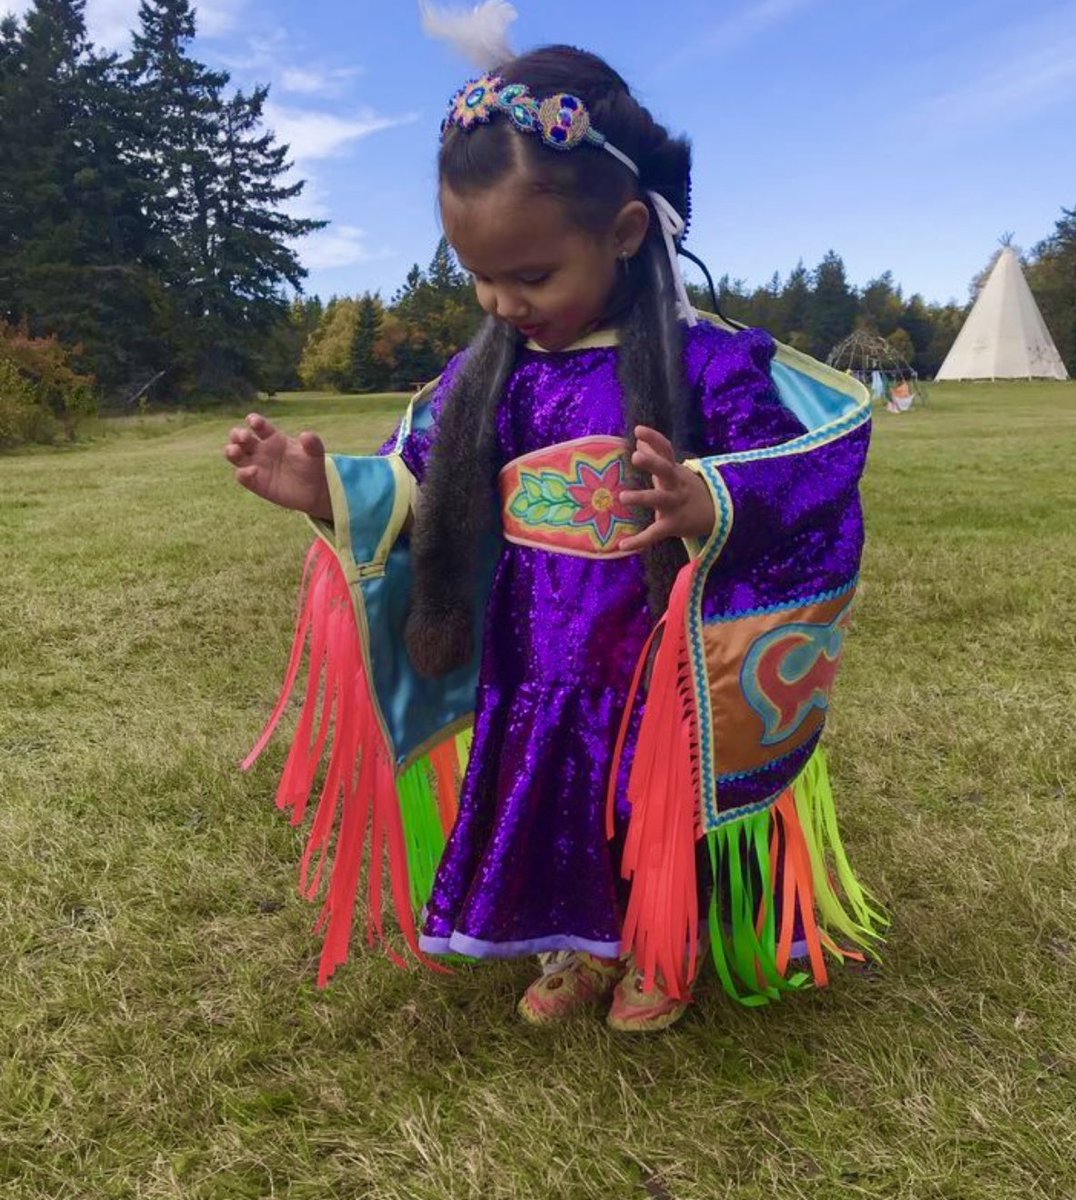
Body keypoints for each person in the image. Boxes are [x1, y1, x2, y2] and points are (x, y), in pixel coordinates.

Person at [225, 44, 884, 1033]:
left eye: (529, 274)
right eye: (478, 277)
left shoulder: (708, 364)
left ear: (623, 232)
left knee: (645, 803)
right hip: (533, 658)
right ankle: (578, 942)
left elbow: (814, 462)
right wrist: (330, 489)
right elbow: (418, 480)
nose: (499, 303)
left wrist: (710, 500)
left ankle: (667, 938)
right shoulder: (494, 372)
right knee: (556, 803)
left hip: (652, 667)